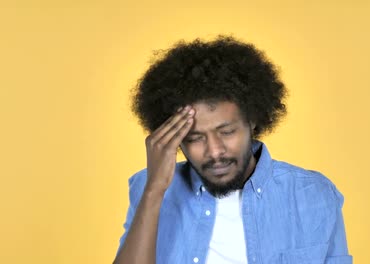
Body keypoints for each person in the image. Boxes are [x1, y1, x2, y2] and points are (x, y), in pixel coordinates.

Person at [114, 36, 352, 264]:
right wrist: (154, 191)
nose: (215, 152)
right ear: (175, 140)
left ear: (252, 121)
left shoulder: (313, 195)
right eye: (195, 138)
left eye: (227, 132)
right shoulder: (148, 188)